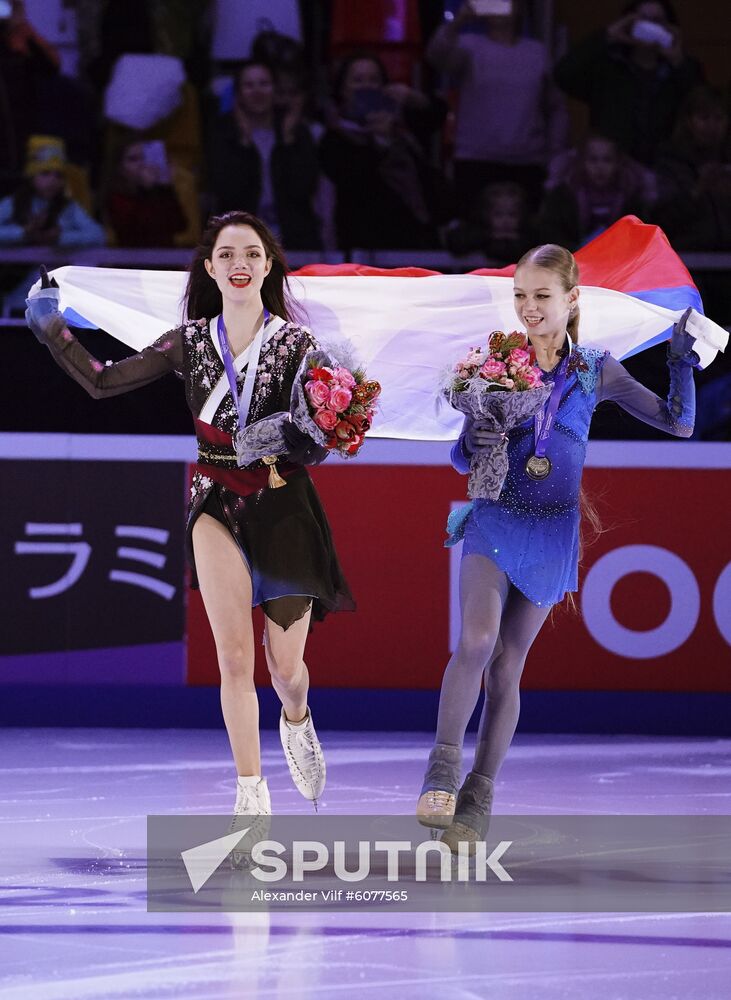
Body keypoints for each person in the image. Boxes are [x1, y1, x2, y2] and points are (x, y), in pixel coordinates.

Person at [24, 210, 355, 825]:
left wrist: (296, 433)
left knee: (286, 670)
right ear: (209, 268)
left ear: (267, 266)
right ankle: (250, 798)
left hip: (283, 498)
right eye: (227, 254)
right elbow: (101, 382)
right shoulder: (189, 341)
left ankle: (297, 717)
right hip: (214, 498)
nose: (239, 264)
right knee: (234, 659)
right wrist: (54, 334)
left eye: (251, 254)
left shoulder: (298, 346)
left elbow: (321, 438)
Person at [416, 243, 698, 850]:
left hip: (552, 530)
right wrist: (480, 438)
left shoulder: (596, 369)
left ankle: (477, 802)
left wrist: (680, 364)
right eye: (520, 295)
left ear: (572, 300)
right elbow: (462, 455)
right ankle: (440, 772)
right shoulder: (495, 362)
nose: (529, 308)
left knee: (510, 665)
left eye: (541, 296)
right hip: (495, 516)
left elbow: (678, 423)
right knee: (477, 640)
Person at [426, 0, 568, 215]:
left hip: (528, 160)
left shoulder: (537, 53)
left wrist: (555, 155)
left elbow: (555, 107)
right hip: (475, 159)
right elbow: (436, 56)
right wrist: (460, 20)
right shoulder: (468, 45)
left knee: (527, 237)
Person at [319, 52, 447, 250]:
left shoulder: (402, 126)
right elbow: (353, 179)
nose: (366, 86)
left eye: (373, 79)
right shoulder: (334, 136)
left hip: (415, 239)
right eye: (357, 80)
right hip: (363, 243)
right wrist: (381, 141)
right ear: (342, 89)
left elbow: (437, 114)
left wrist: (411, 97)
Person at [554, 0, 703, 166]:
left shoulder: (680, 68)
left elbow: (702, 103)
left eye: (658, 20)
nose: (650, 25)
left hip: (666, 170)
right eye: (643, 19)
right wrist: (608, 35)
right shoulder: (607, 67)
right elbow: (563, 75)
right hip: (614, 169)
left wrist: (678, 61)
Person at [207, 60, 322, 249]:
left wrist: (288, 141)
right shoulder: (223, 131)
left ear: (275, 90)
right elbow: (228, 191)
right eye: (249, 85)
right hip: (238, 239)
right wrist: (243, 143)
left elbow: (304, 188)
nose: (257, 91)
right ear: (238, 94)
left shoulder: (296, 130)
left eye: (264, 84)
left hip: (294, 239)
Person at [539, 134, 649, 249]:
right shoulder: (563, 195)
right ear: (581, 162)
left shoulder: (630, 195)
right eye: (593, 160)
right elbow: (551, 234)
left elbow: (640, 237)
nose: (600, 167)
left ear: (618, 163)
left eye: (607, 160)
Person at [0, 135, 104, 247]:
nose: (53, 180)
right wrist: (23, 233)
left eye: (59, 175)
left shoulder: (68, 207)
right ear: (31, 176)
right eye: (45, 173)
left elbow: (99, 235)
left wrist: (60, 237)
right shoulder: (13, 202)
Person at [104, 140, 187, 247]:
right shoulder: (116, 197)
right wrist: (146, 190)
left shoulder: (160, 191)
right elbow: (134, 230)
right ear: (119, 166)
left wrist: (166, 188)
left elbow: (180, 225)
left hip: (164, 257)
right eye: (133, 159)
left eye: (144, 158)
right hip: (131, 258)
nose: (142, 165)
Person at [445, 181, 535, 262]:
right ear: (486, 214)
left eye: (512, 214)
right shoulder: (475, 232)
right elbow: (457, 244)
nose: (505, 221)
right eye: (498, 214)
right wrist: (489, 237)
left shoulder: (529, 236)